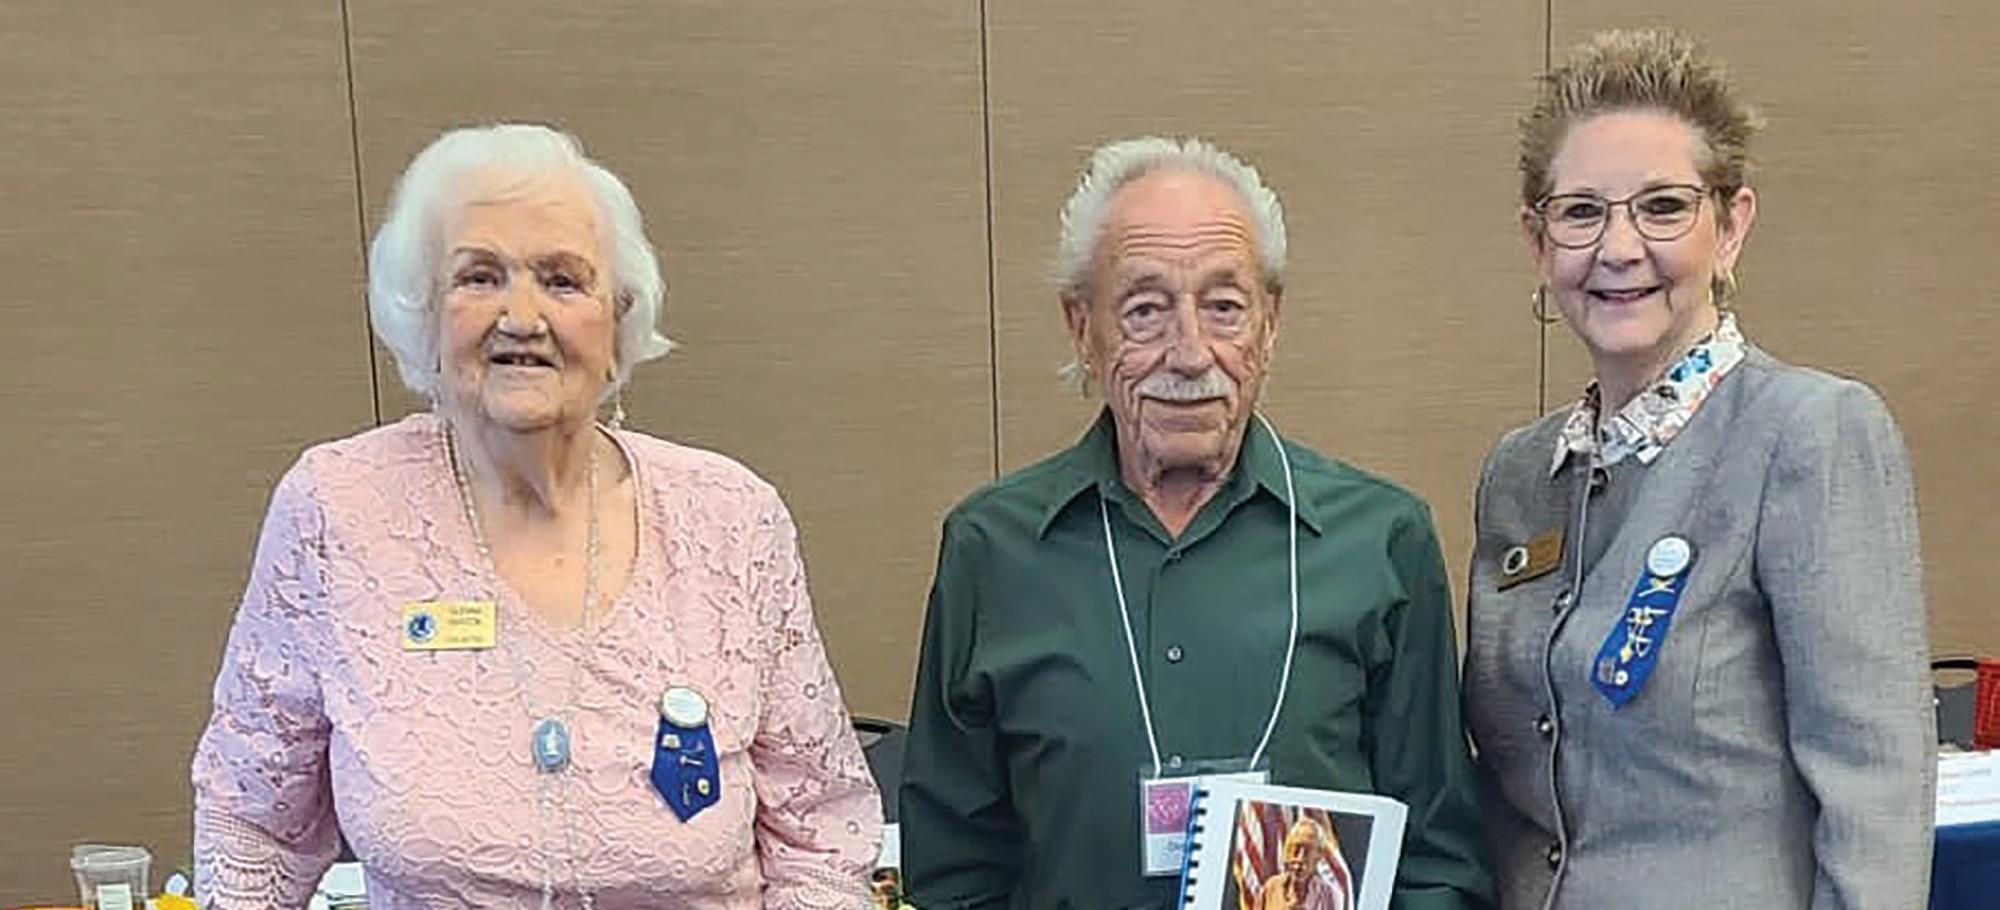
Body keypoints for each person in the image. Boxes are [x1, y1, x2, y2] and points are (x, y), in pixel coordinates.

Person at [191, 123, 880, 908]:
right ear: (423, 312)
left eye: (562, 281)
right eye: (479, 277)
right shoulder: (335, 509)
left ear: (618, 321)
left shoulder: (732, 519)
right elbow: (253, 823)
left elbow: (820, 836)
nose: (521, 316)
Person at [900, 136, 1490, 909]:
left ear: (1270, 325)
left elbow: (1438, 860)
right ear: (1082, 328)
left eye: (1224, 308)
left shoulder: (1382, 539)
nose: (1189, 352)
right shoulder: (992, 548)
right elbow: (952, 870)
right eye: (1145, 311)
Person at [1462, 28, 1935, 909]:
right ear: (1537, 241)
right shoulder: (1520, 475)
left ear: (1731, 226)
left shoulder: (1811, 435)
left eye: (1663, 207)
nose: (1619, 246)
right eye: (1581, 211)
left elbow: (1877, 797)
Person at [1256, 819, 1348, 910]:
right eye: (1296, 850)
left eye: (1307, 852)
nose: (1300, 859)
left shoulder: (1328, 896)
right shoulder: (1271, 888)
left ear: (1318, 857)